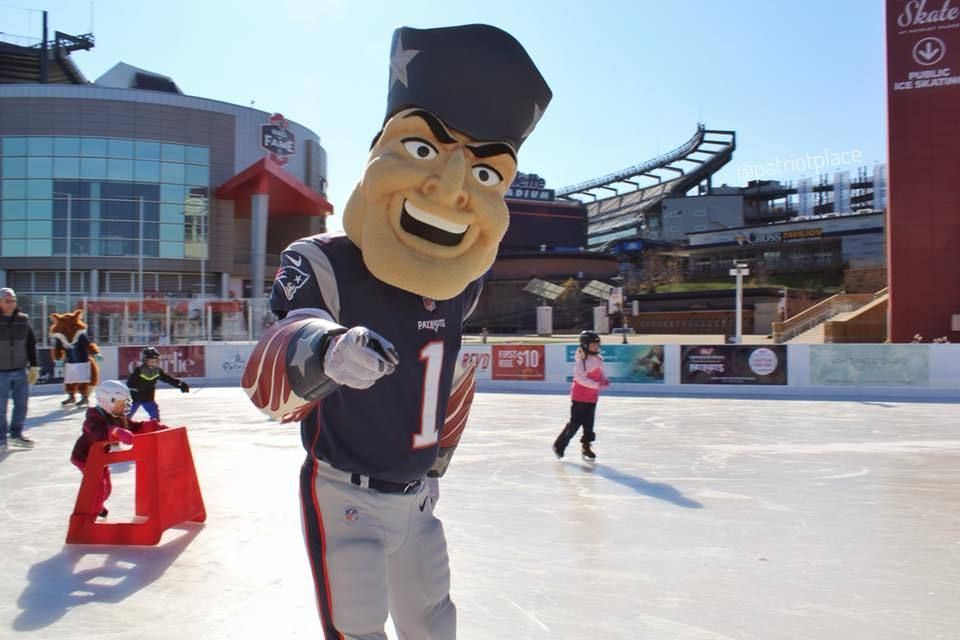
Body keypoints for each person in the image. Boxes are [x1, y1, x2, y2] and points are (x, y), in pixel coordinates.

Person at [242, 24, 551, 639]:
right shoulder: (324, 261)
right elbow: (269, 383)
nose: (450, 189)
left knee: (433, 624)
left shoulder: (460, 280)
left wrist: (437, 464)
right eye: (424, 150)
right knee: (357, 629)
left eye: (485, 175)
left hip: (417, 497)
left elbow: (449, 378)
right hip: (345, 492)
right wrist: (326, 350)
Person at [70, 379, 167, 518]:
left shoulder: (117, 416)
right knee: (99, 487)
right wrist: (115, 432)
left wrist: (152, 426)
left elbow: (133, 428)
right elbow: (96, 433)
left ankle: (97, 505)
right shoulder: (93, 417)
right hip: (84, 457)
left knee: (106, 489)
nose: (125, 406)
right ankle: (88, 517)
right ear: (108, 401)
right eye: (122, 403)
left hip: (100, 459)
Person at [553, 330, 609, 461]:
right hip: (580, 396)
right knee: (575, 423)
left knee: (589, 424)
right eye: (594, 344)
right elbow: (580, 379)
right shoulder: (581, 362)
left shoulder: (599, 359)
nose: (597, 346)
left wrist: (604, 380)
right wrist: (597, 385)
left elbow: (601, 373)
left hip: (592, 397)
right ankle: (559, 445)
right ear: (585, 345)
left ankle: (586, 447)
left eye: (597, 344)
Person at [0, 287, 39, 450]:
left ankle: (16, 434)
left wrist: (34, 365)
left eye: (13, 300)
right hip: (1, 372)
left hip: (20, 370)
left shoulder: (23, 320)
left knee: (21, 405)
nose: (11, 304)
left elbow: (31, 343)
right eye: (7, 301)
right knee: (0, 408)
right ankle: (1, 439)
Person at [126, 346, 189, 420]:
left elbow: (168, 379)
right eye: (151, 360)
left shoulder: (157, 371)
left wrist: (180, 384)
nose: (153, 362)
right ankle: (122, 424)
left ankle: (154, 424)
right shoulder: (139, 370)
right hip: (135, 398)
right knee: (127, 414)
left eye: (155, 360)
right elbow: (129, 383)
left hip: (148, 397)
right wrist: (135, 388)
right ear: (145, 360)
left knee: (154, 413)